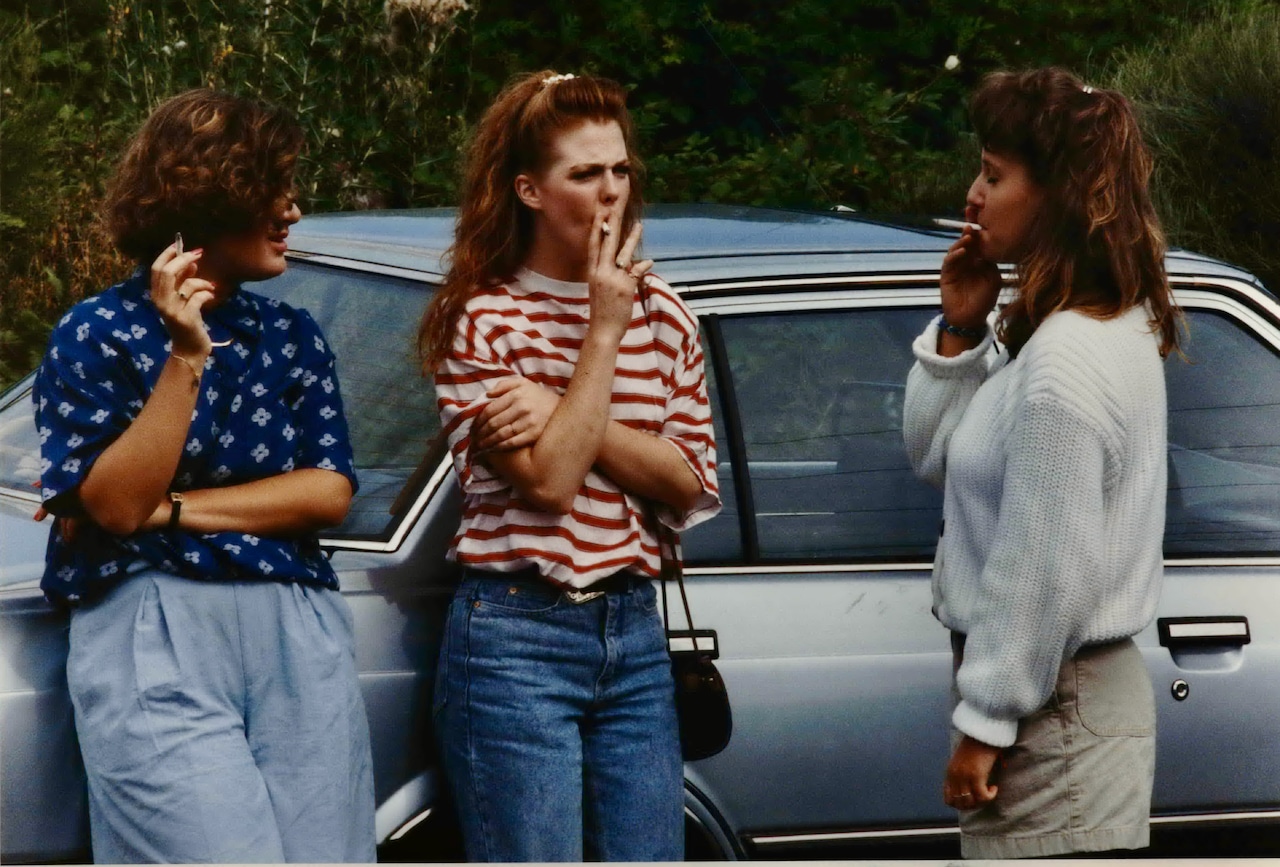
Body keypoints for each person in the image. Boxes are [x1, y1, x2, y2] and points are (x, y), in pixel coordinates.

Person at [32, 89, 375, 863]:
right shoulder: (98, 331)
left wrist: (168, 508)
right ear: (214, 193)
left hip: (297, 622)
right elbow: (117, 505)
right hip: (153, 626)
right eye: (274, 187)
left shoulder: (291, 334)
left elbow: (328, 491)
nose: (292, 209)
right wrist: (186, 356)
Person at [418, 70, 721, 862]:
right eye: (584, 173)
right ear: (529, 189)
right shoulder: (483, 318)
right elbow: (549, 484)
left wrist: (557, 407)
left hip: (633, 623)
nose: (611, 191)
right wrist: (603, 332)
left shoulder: (665, 311)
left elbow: (688, 482)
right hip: (517, 632)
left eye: (620, 169)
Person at [903, 67, 1181, 859]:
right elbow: (934, 456)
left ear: (1056, 192)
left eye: (994, 175)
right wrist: (961, 328)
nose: (973, 195)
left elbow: (1046, 563)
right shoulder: (1065, 329)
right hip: (1054, 704)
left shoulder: (1065, 358)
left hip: (1054, 716)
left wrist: (985, 720)